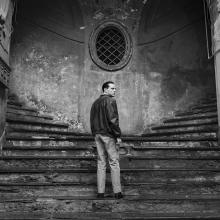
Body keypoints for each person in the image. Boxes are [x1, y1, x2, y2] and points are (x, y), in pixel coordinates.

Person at [90, 81, 123, 199]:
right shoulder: (110, 100)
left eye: (115, 88)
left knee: (101, 163)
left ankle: (100, 193)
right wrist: (118, 135)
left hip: (97, 134)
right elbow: (113, 120)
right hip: (108, 134)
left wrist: (95, 133)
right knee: (114, 162)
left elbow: (92, 120)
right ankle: (117, 192)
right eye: (112, 88)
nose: (115, 90)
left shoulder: (95, 103)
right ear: (105, 90)